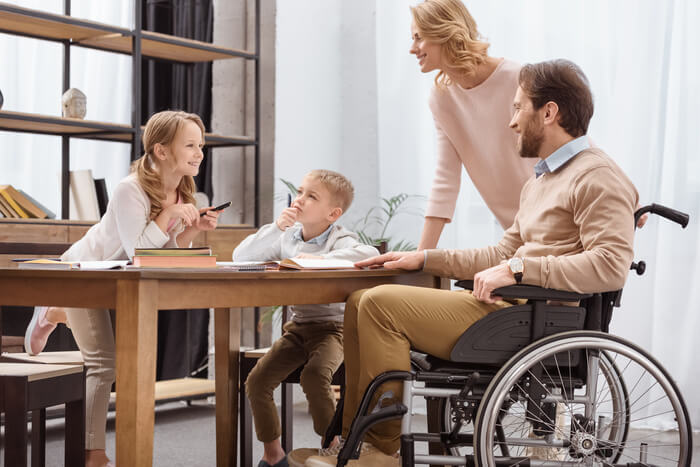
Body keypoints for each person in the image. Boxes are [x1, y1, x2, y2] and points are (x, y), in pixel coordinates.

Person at [302, 59, 639, 467]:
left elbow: (609, 265)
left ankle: (380, 451)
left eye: (518, 108)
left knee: (378, 306)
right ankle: (352, 441)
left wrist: (519, 270)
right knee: (360, 301)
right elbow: (501, 253)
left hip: (536, 319)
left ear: (549, 113)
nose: (511, 121)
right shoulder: (542, 179)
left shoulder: (597, 176)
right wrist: (425, 257)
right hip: (513, 309)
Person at [23, 110, 220, 467]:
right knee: (104, 362)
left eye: (201, 146)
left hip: (112, 277)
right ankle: (93, 454)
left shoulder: (180, 191)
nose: (199, 153)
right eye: (190, 145)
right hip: (79, 273)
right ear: (161, 151)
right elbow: (140, 253)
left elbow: (164, 254)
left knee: (110, 357)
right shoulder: (129, 189)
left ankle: (53, 312)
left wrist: (193, 230)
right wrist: (167, 216)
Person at [234, 169, 379, 467]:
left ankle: (333, 446)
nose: (300, 199)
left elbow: (367, 253)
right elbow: (241, 256)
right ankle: (273, 453)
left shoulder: (341, 239)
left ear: (333, 213)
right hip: (297, 329)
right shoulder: (288, 238)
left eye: (311, 196)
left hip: (334, 330)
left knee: (314, 376)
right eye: (300, 192)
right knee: (257, 381)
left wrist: (321, 260)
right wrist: (276, 227)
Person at [409, 0, 535, 250]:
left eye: (418, 37)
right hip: (516, 232)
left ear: (444, 32)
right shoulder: (442, 98)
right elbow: (446, 178)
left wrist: (626, 197)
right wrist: (421, 258)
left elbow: (570, 140)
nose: (413, 49)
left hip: (559, 218)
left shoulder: (518, 77)